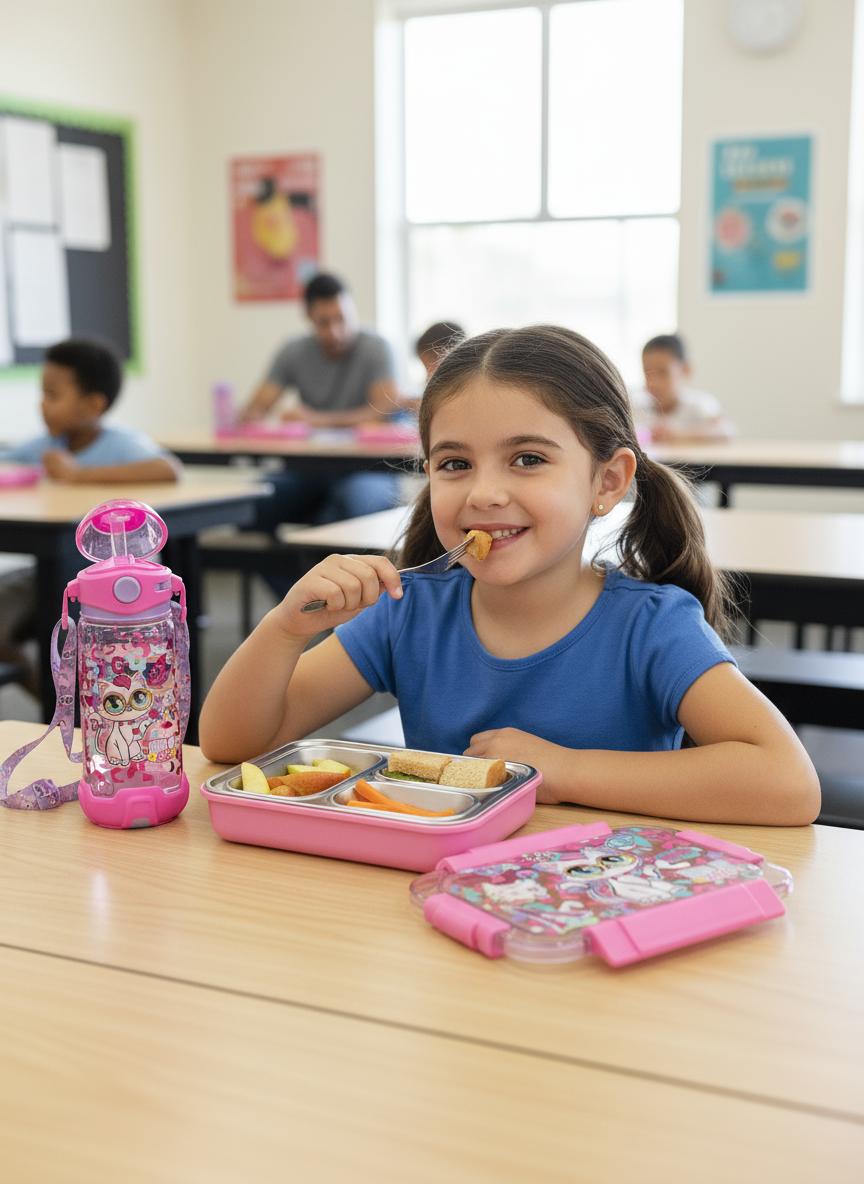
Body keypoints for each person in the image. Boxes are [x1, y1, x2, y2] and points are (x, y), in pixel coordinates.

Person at [200, 326, 819, 826]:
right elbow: (232, 745)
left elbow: (787, 783)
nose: (485, 492)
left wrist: (562, 770)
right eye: (454, 463)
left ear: (607, 482)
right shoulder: (410, 610)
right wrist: (283, 630)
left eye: (528, 459)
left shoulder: (650, 627)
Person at [0, 337, 179, 691]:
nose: (42, 405)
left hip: (115, 580)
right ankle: (45, 691)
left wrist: (78, 474)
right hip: (49, 569)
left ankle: (65, 700)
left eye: (53, 395)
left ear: (93, 404)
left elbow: (167, 469)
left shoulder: (120, 444)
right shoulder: (48, 446)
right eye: (42, 393)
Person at [238, 272, 401, 530]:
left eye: (342, 319)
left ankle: (320, 566)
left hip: (370, 469)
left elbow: (383, 410)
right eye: (324, 322)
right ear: (309, 318)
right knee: (252, 503)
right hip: (310, 467)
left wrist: (318, 420)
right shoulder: (293, 350)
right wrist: (258, 415)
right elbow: (255, 409)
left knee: (349, 505)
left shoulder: (376, 348)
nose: (335, 331)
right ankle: (290, 571)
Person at [633, 334, 733, 443]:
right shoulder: (637, 407)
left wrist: (678, 434)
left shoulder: (699, 404)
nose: (654, 382)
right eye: (647, 373)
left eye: (662, 372)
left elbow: (726, 431)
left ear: (686, 370)